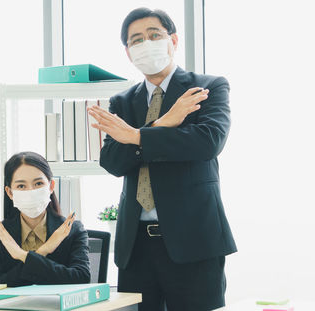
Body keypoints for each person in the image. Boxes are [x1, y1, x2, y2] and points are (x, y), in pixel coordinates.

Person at [87, 7, 237, 311]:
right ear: (128, 53)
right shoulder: (122, 102)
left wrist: (136, 136)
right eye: (137, 40)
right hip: (136, 246)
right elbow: (113, 161)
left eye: (154, 35)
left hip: (193, 241)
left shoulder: (207, 88)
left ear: (174, 40)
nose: (147, 43)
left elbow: (206, 142)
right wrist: (161, 125)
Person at [0, 151, 90, 286]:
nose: (30, 191)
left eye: (38, 183)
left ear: (51, 186)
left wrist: (21, 255)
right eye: (21, 186)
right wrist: (44, 250)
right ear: (10, 192)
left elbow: (81, 277)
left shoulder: (72, 230)